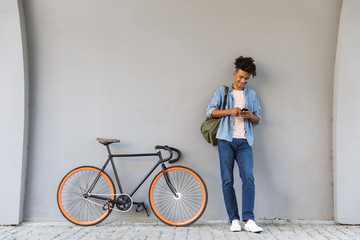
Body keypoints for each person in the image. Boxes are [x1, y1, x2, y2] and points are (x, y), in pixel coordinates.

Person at [206, 56, 263, 233]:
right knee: (227, 180)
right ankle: (234, 219)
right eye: (240, 77)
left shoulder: (251, 94)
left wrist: (249, 116)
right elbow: (210, 112)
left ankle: (249, 219)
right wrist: (231, 111)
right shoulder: (222, 92)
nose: (243, 81)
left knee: (248, 178)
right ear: (235, 74)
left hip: (245, 141)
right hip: (226, 140)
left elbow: (258, 118)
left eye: (246, 78)